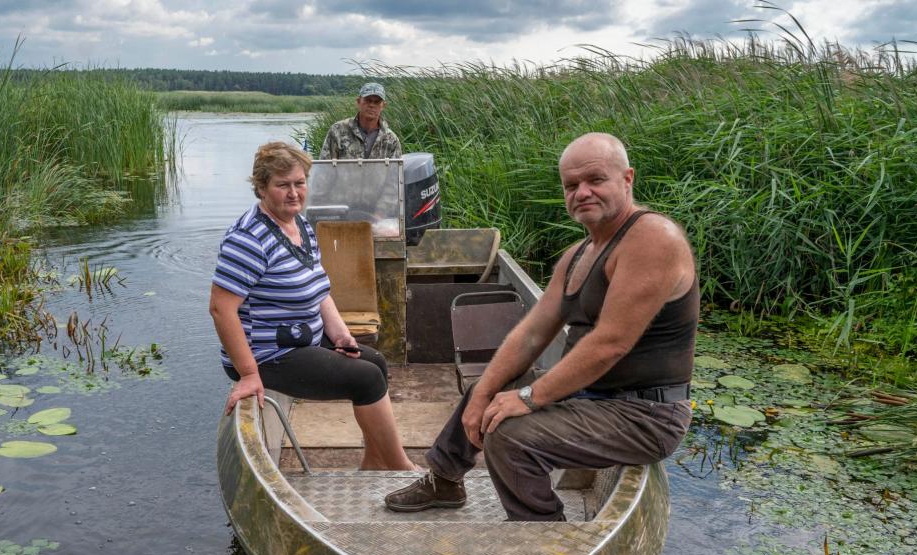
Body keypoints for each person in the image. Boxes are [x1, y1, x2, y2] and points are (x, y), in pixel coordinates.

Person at [384, 132, 698, 520]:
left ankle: (543, 533)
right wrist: (484, 391)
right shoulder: (578, 254)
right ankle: (444, 481)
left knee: (510, 439)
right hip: (593, 398)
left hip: (644, 413)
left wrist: (529, 397)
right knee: (489, 388)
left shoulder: (651, 239)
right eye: (571, 185)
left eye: (595, 180)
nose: (582, 192)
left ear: (627, 179)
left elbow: (609, 344)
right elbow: (532, 332)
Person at [210, 141, 417, 471]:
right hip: (267, 354)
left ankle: (375, 459)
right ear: (261, 188)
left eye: (299, 183)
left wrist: (340, 335)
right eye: (282, 185)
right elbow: (221, 308)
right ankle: (399, 466)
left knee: (375, 361)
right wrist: (249, 374)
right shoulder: (247, 238)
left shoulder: (301, 226)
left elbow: (320, 291)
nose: (293, 193)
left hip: (300, 338)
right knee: (365, 380)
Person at [320, 82, 402, 160]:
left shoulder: (391, 139)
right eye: (368, 100)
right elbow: (324, 168)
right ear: (358, 102)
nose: (372, 105)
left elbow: (395, 173)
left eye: (377, 102)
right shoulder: (337, 131)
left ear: (383, 106)